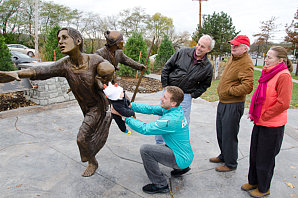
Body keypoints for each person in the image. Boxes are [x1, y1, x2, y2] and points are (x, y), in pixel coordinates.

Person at [0, 27, 115, 177]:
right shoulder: (65, 65)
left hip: (97, 106)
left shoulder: (93, 60)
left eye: (65, 38)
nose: (60, 42)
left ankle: (92, 162)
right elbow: (41, 71)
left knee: (82, 138)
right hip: (85, 107)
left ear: (78, 40)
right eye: (59, 39)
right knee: (88, 137)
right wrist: (17, 73)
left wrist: (104, 74)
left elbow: (108, 69)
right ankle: (94, 150)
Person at [113, 86, 193, 194]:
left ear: (173, 103)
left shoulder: (170, 120)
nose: (161, 98)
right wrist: (131, 105)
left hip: (181, 158)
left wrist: (126, 118)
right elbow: (150, 109)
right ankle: (181, 169)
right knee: (167, 145)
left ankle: (160, 184)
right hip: (184, 154)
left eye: (165, 97)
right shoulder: (175, 109)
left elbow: (145, 128)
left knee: (146, 150)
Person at [241, 46, 293, 198]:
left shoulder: (284, 76)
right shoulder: (269, 73)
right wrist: (260, 116)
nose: (266, 59)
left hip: (272, 125)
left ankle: (264, 188)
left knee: (266, 157)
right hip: (260, 121)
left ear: (280, 60)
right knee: (255, 154)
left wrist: (265, 115)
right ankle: (253, 181)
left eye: (270, 57)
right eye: (266, 56)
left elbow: (283, 103)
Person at [157, 34, 215, 144]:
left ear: (208, 49)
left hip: (185, 97)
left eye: (202, 47)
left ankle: (175, 147)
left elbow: (205, 85)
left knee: (181, 123)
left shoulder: (207, 67)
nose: (198, 48)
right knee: (163, 119)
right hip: (169, 92)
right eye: (198, 44)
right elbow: (167, 68)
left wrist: (192, 95)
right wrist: (165, 86)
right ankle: (159, 144)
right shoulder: (182, 52)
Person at [209, 35, 254, 172]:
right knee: (221, 132)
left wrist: (229, 91)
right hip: (224, 102)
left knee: (229, 134)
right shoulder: (234, 58)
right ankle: (224, 155)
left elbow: (248, 86)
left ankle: (231, 163)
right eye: (232, 45)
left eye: (236, 46)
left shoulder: (246, 63)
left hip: (233, 104)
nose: (232, 47)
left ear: (245, 49)